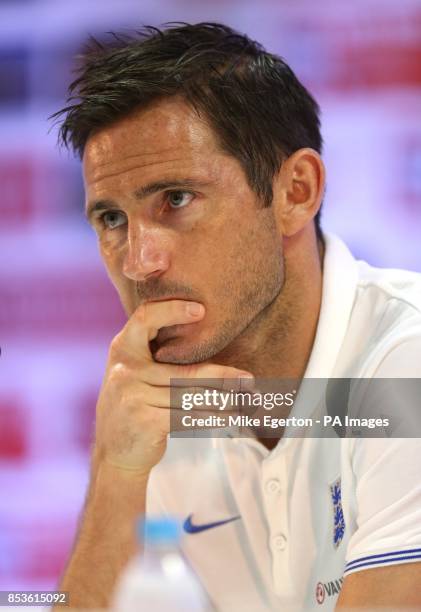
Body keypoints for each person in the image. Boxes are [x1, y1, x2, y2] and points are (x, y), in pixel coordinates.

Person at [52, 23, 421, 611]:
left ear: (295, 192)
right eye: (112, 220)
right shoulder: (153, 412)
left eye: (175, 199)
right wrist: (116, 470)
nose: (140, 262)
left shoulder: (407, 361)